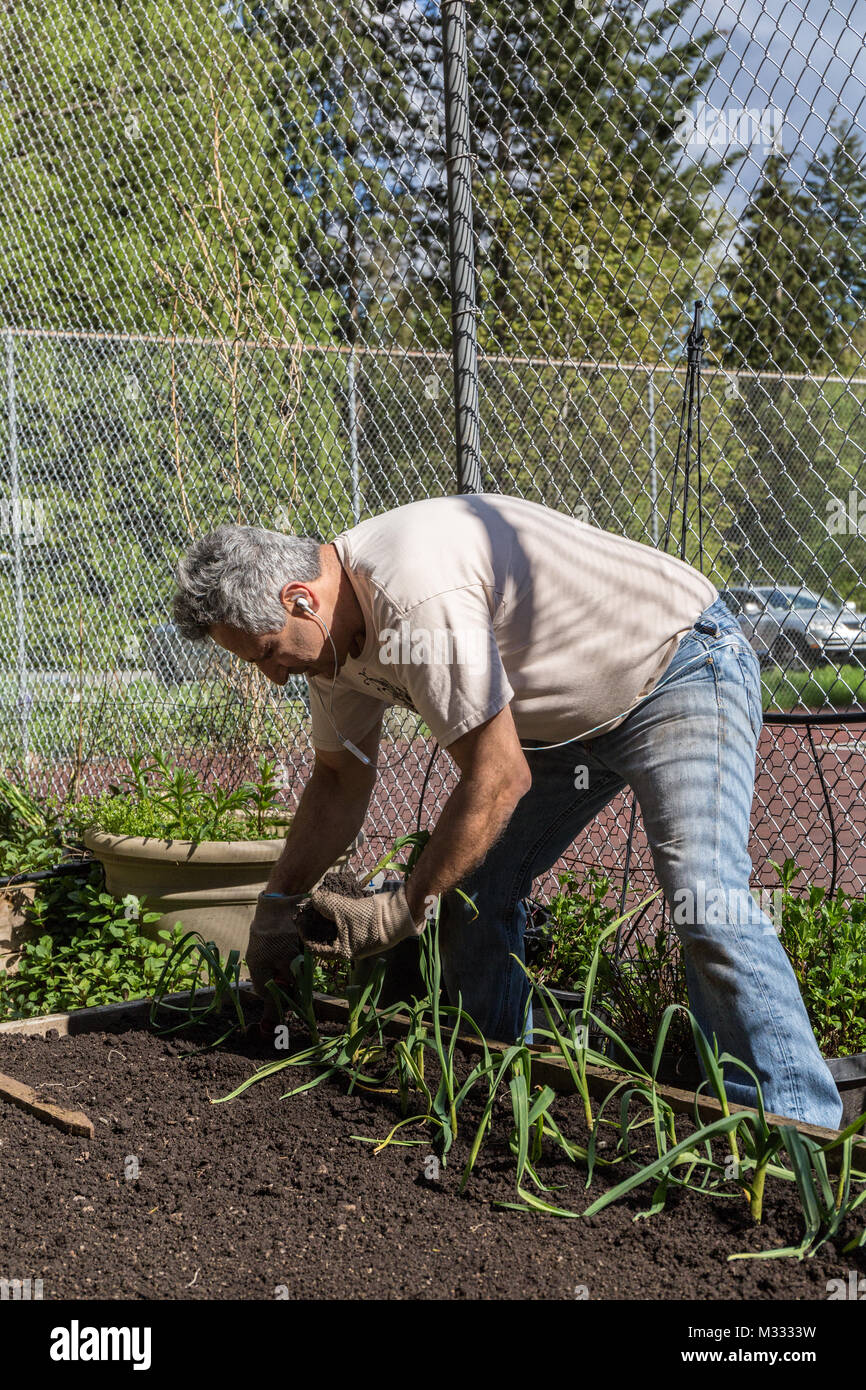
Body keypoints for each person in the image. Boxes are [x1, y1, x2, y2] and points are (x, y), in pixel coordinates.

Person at [171, 494, 843, 1129]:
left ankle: (794, 1137)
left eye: (266, 652)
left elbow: (496, 776)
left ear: (300, 600)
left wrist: (399, 910)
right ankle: (489, 1086)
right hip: (560, 727)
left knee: (703, 894)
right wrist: (278, 905)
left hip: (676, 668)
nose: (274, 676)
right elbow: (340, 776)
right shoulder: (333, 644)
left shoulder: (412, 593)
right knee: (472, 884)